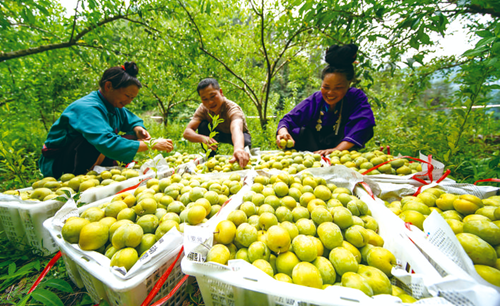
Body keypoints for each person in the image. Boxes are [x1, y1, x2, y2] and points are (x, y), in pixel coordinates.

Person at [39, 61, 174, 178]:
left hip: (86, 155)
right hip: (60, 162)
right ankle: (79, 177)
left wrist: (138, 129)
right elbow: (107, 143)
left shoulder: (113, 106)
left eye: (132, 98)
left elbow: (132, 120)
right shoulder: (87, 108)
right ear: (109, 86)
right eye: (127, 96)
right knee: (93, 143)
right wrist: (152, 144)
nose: (129, 101)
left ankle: (97, 171)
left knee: (133, 135)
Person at [276, 44, 375, 156]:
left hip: (342, 151)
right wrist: (283, 133)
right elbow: (288, 119)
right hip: (313, 150)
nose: (330, 93)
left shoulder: (356, 97)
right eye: (326, 87)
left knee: (363, 127)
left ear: (349, 83)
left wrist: (336, 150)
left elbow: (363, 125)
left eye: (338, 88)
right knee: (295, 131)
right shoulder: (316, 99)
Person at [183, 78, 251, 168]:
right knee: (203, 126)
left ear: (221, 92)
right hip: (218, 134)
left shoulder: (232, 108)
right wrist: (203, 138)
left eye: (213, 96)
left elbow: (236, 128)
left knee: (244, 142)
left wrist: (239, 148)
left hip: (236, 135)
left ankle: (241, 157)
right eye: (205, 99)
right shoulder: (203, 109)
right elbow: (187, 132)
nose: (210, 102)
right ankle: (211, 158)